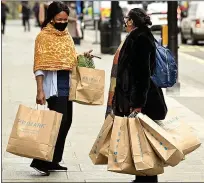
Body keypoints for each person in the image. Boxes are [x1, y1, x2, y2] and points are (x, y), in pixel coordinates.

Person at [106, 8, 167, 183]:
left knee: (144, 140)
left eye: (126, 19)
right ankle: (142, 176)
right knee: (140, 139)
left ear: (132, 21)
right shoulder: (139, 36)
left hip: (143, 99)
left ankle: (148, 178)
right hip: (137, 96)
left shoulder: (140, 39)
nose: (124, 22)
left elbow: (142, 74)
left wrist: (138, 103)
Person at [31, 1, 93, 176]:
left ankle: (53, 160)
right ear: (52, 18)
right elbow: (39, 66)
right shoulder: (43, 37)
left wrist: (82, 56)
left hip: (68, 84)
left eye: (65, 19)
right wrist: (40, 90)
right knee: (57, 123)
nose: (62, 22)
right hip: (54, 86)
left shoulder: (66, 35)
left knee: (66, 122)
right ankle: (40, 160)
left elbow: (69, 58)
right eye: (59, 19)